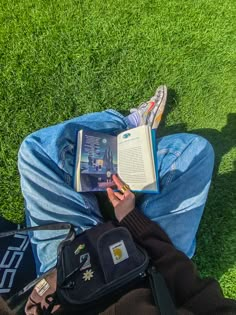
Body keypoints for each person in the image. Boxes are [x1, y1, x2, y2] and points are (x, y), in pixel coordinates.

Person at [1, 85, 234, 314]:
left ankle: (130, 126)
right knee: (195, 151)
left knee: (37, 151)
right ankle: (132, 133)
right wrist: (132, 220)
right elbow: (192, 289)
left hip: (67, 271)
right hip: (148, 269)